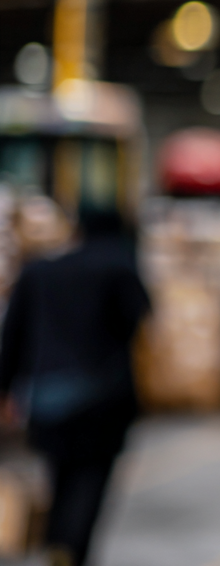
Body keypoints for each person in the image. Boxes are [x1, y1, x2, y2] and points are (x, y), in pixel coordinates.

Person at [0, 207, 150, 566]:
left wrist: (6, 390)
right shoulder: (118, 266)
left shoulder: (39, 271)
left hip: (47, 398)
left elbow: (12, 336)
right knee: (91, 479)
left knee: (59, 474)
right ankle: (70, 547)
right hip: (103, 398)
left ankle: (57, 541)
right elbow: (141, 320)